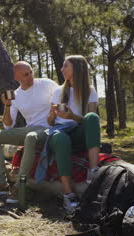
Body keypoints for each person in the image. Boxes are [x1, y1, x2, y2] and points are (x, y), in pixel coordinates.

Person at [0, 61, 58, 203]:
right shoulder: (16, 95)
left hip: (48, 129)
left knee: (30, 136)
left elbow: (62, 98)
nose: (30, 76)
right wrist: (8, 106)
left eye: (31, 72)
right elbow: (8, 126)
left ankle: (20, 187)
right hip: (30, 129)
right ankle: (1, 183)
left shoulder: (46, 84)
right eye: (26, 75)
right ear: (17, 78)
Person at [47, 55, 101, 213]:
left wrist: (72, 116)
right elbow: (50, 123)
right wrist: (52, 114)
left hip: (78, 133)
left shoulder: (90, 91)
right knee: (61, 138)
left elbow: (90, 121)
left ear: (76, 69)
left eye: (65, 66)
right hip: (59, 133)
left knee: (92, 117)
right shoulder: (58, 91)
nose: (61, 69)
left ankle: (93, 172)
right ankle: (68, 193)